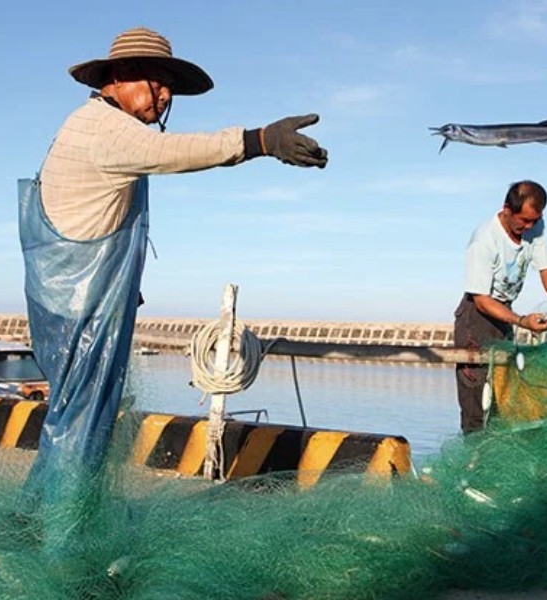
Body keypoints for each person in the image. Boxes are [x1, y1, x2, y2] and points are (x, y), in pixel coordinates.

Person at [17, 27, 328, 521]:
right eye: (154, 82)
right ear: (117, 77)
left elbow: (93, 219)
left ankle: (34, 514)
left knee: (70, 417)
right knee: (82, 425)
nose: (162, 96)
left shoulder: (95, 125)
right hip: (82, 307)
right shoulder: (106, 129)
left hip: (73, 295)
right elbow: (176, 153)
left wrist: (122, 286)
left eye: (168, 88)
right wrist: (260, 141)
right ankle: (64, 540)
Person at [453, 180, 547, 433]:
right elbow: (482, 300)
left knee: (501, 391)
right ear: (507, 209)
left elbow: (546, 267)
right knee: (476, 396)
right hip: (477, 316)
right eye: (523, 221)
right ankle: (474, 459)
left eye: (534, 221)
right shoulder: (483, 241)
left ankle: (495, 451)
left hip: (504, 312)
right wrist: (521, 321)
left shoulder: (535, 227)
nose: (528, 227)